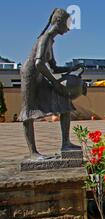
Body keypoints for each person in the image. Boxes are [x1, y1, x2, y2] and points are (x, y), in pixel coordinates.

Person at [19, 8, 84, 160]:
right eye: (67, 24)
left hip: (40, 75)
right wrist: (55, 83)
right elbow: (39, 63)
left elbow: (53, 67)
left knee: (64, 103)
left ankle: (66, 143)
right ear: (58, 22)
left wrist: (71, 68)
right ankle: (33, 153)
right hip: (30, 76)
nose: (68, 28)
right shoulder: (45, 38)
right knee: (28, 113)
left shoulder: (51, 41)